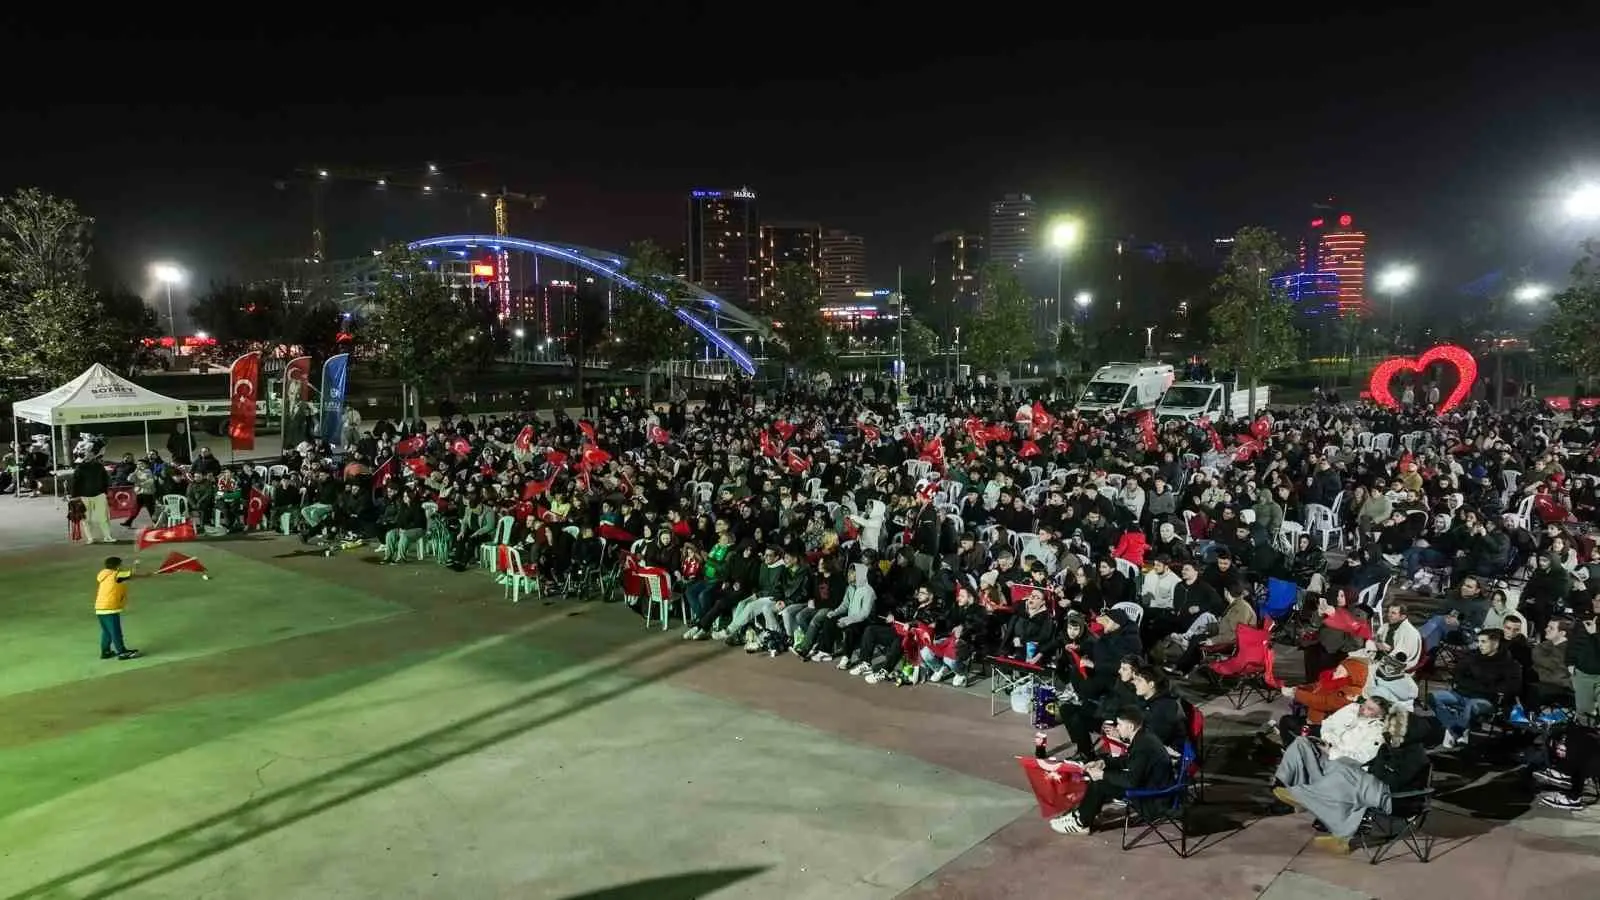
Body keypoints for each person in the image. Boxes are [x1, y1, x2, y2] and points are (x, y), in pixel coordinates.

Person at [1049, 706, 1175, 835]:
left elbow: (1131, 781)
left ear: (1130, 727)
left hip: (1154, 799)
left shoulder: (1142, 746)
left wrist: (1102, 774)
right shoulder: (1144, 737)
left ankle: (1081, 822)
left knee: (1100, 783)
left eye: (1120, 724)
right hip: (1152, 785)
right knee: (1102, 777)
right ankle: (1085, 813)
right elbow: (1130, 761)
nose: (1117, 728)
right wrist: (1104, 763)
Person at [1429, 628, 1523, 748]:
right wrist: (1479, 685)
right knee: (1433, 697)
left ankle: (1455, 732)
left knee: (1472, 706)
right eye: (1478, 641)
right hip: (1462, 694)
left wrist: (1479, 687)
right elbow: (1458, 675)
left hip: (1486, 700)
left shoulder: (1509, 663)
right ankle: (1455, 728)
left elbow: (1512, 687)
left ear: (1495, 643)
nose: (1480, 645)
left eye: (1484, 642)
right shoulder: (1472, 657)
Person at [95, 556, 143, 660]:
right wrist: (137, 565)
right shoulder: (116, 574)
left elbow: (128, 577)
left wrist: (144, 574)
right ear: (117, 566)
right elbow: (132, 574)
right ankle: (122, 652)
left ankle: (105, 652)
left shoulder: (104, 574)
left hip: (100, 607)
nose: (122, 566)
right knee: (115, 631)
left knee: (107, 632)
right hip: (110, 608)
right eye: (121, 564)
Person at [71, 450, 114, 544]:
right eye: (86, 455)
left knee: (103, 517)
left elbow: (105, 479)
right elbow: (75, 483)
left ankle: (107, 536)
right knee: (86, 518)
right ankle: (91, 538)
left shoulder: (99, 466)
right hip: (85, 496)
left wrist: (105, 491)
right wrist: (74, 496)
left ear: (93, 456)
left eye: (90, 455)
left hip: (99, 495)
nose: (88, 457)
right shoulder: (80, 468)